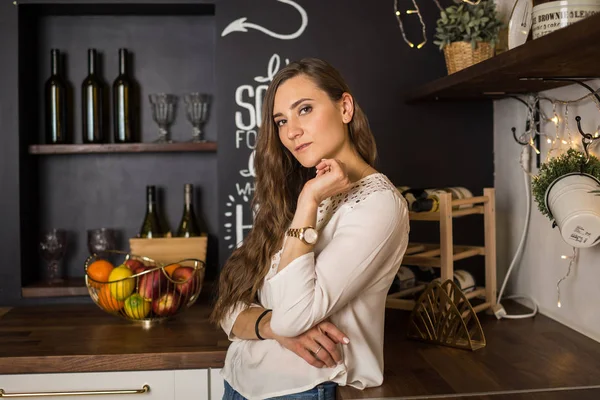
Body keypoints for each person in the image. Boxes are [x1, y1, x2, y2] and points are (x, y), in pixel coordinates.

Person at [210, 57, 410, 400]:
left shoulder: (378, 205)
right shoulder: (291, 197)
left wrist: (308, 202)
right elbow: (229, 308)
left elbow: (293, 318)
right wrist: (272, 328)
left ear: (344, 108)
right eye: (281, 120)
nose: (291, 131)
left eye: (304, 109)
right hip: (238, 385)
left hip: (305, 389)